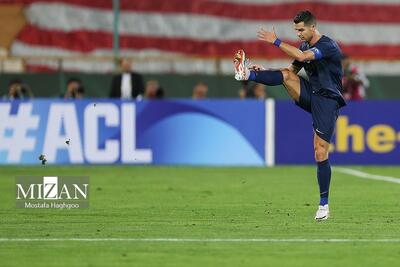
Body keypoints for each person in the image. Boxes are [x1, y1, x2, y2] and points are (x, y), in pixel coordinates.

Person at [234, 10, 345, 220]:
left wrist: (275, 41)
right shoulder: (303, 46)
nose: (299, 34)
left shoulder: (327, 45)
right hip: (312, 94)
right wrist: (265, 72)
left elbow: (303, 57)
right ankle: (247, 73)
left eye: (301, 30)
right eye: (296, 30)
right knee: (284, 75)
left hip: (327, 100)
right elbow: (290, 72)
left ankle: (324, 206)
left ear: (313, 26)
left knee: (320, 151)